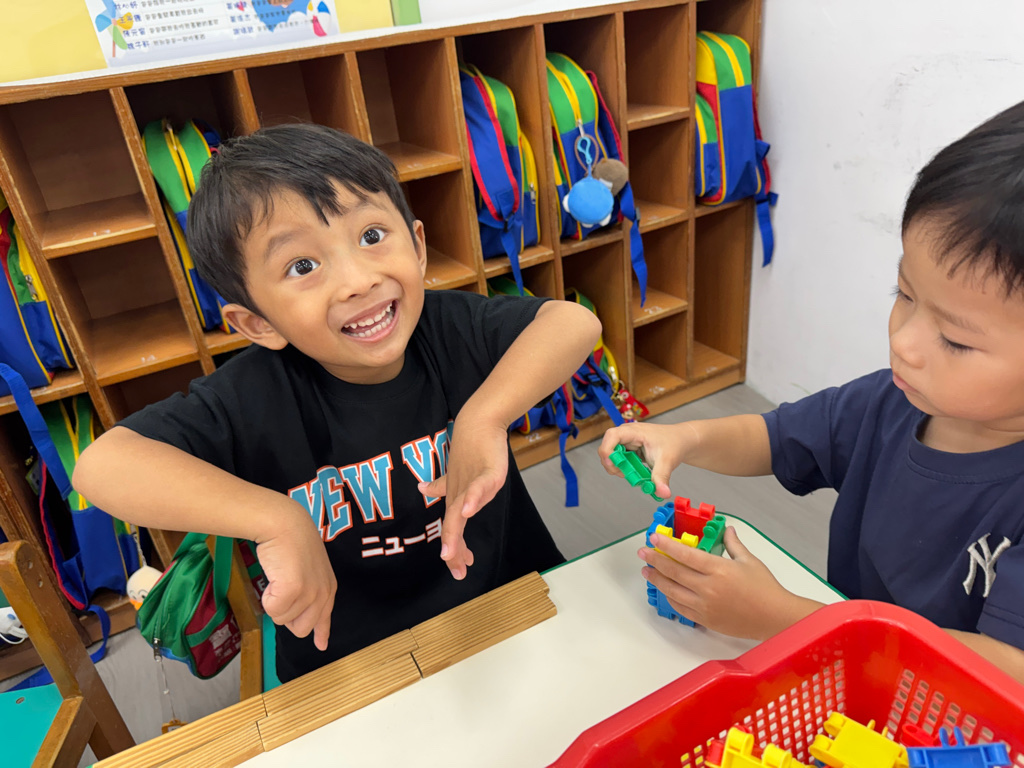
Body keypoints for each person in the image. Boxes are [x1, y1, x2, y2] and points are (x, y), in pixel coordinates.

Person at [73, 123, 602, 683]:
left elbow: (573, 322)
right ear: (257, 323)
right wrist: (277, 520)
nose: (357, 280)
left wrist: (483, 418)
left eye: (371, 235)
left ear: (418, 246)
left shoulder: (452, 327)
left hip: (508, 607)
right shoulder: (252, 394)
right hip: (352, 664)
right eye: (302, 266)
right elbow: (100, 466)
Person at [599, 100, 1024, 682]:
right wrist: (685, 438)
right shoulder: (890, 403)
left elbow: (1009, 672)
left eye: (954, 339)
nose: (903, 342)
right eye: (903, 295)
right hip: (848, 676)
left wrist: (784, 618)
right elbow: (775, 438)